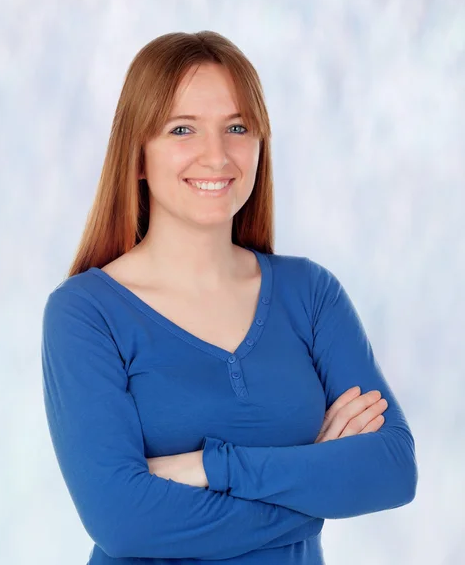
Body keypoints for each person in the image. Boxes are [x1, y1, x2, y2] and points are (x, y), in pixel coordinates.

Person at [41, 31, 418, 565]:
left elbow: (393, 469)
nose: (216, 155)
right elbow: (124, 522)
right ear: (139, 156)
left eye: (237, 127)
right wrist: (314, 481)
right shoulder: (86, 313)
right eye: (182, 129)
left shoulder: (310, 295)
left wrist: (212, 468)